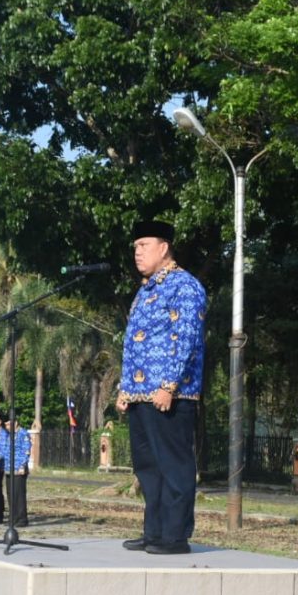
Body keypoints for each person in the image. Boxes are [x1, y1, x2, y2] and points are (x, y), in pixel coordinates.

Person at [115, 220, 207, 555]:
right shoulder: (146, 290)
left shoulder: (184, 286)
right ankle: (154, 533)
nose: (137, 253)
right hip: (140, 394)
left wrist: (169, 385)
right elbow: (132, 344)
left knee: (174, 466)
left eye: (143, 245)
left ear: (163, 247)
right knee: (148, 469)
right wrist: (124, 389)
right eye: (135, 247)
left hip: (171, 394)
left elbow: (185, 338)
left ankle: (175, 537)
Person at [5, 416, 32, 527]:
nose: (6, 427)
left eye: (8, 424)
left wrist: (22, 465)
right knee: (10, 494)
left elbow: (26, 451)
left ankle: (22, 518)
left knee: (19, 495)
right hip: (9, 468)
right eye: (5, 425)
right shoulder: (10, 435)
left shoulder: (22, 434)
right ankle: (13, 517)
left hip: (18, 469)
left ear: (15, 423)